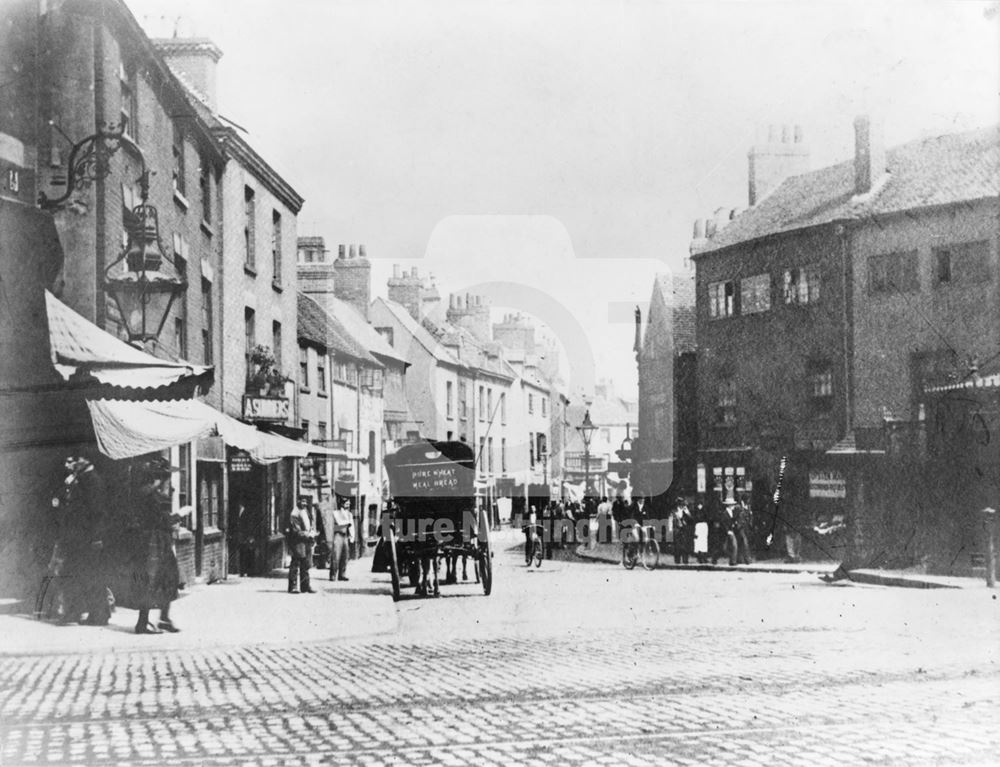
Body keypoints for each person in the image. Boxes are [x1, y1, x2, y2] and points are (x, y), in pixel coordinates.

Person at [47, 455, 110, 625]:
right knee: (81, 574)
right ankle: (91, 613)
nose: (70, 464)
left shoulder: (93, 480)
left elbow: (97, 512)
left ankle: (96, 614)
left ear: (85, 460)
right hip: (78, 536)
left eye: (74, 460)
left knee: (90, 575)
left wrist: (96, 537)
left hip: (87, 537)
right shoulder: (81, 479)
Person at [124, 456, 183, 634]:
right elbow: (161, 520)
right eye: (166, 477)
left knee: (167, 578)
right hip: (154, 541)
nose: (169, 481)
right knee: (152, 579)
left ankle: (163, 619)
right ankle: (143, 623)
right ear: (158, 478)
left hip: (156, 540)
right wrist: (180, 515)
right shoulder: (153, 497)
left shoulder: (148, 493)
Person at [287, 497, 317, 593]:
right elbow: (296, 530)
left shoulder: (305, 511)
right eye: (302, 501)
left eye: (306, 502)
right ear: (298, 501)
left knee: (305, 564)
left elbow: (309, 524)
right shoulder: (294, 514)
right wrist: (308, 534)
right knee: (296, 563)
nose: (304, 503)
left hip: (306, 541)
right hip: (297, 542)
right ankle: (293, 586)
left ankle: (305, 586)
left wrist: (312, 532)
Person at [329, 500, 354, 582]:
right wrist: (348, 522)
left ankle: (342, 574)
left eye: (349, 503)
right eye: (347, 503)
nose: (348, 505)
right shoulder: (336, 513)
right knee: (336, 555)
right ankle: (333, 575)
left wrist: (352, 536)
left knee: (345, 555)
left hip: (345, 535)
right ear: (342, 504)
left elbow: (351, 526)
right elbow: (339, 523)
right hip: (338, 535)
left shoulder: (349, 514)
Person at [670, 497, 693, 565]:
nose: (682, 506)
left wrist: (687, 512)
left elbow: (691, 520)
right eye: (680, 504)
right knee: (677, 546)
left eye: (682, 504)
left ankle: (685, 561)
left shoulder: (685, 511)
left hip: (684, 530)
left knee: (685, 545)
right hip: (677, 529)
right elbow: (670, 520)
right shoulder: (673, 511)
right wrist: (671, 530)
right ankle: (677, 561)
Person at [734, 493, 754, 565]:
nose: (749, 501)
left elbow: (750, 516)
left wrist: (750, 523)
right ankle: (747, 559)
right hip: (740, 527)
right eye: (748, 499)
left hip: (747, 527)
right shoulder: (738, 507)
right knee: (745, 542)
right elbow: (735, 517)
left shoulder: (748, 506)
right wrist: (737, 525)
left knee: (742, 542)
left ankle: (739, 559)